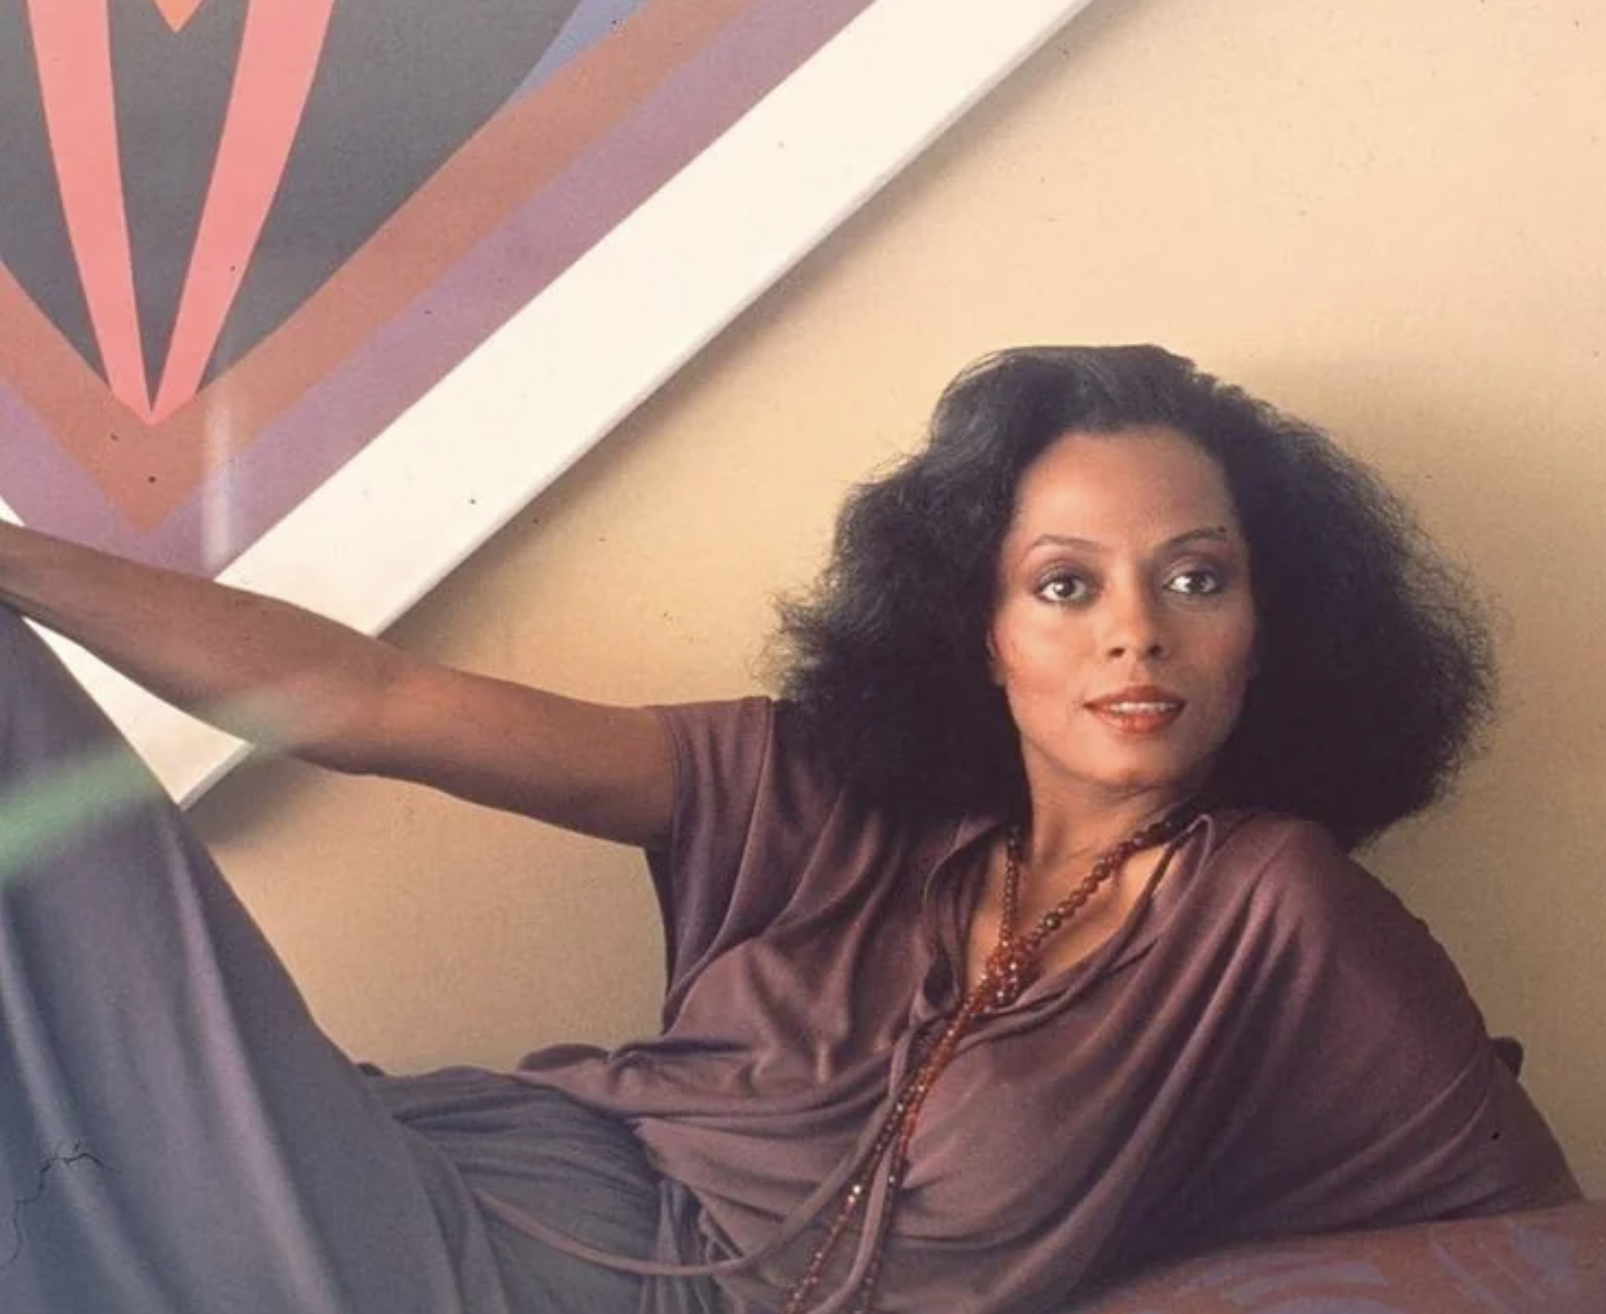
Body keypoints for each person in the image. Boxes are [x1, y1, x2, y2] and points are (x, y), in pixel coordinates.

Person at [0, 344, 1580, 1314]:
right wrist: (25, 561)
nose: (1134, 635)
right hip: (472, 1179)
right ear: (978, 621)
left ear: (1268, 622)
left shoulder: (1272, 916)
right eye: (1063, 582)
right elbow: (368, 699)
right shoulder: (813, 784)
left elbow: (1532, 1247)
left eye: (1195, 575)